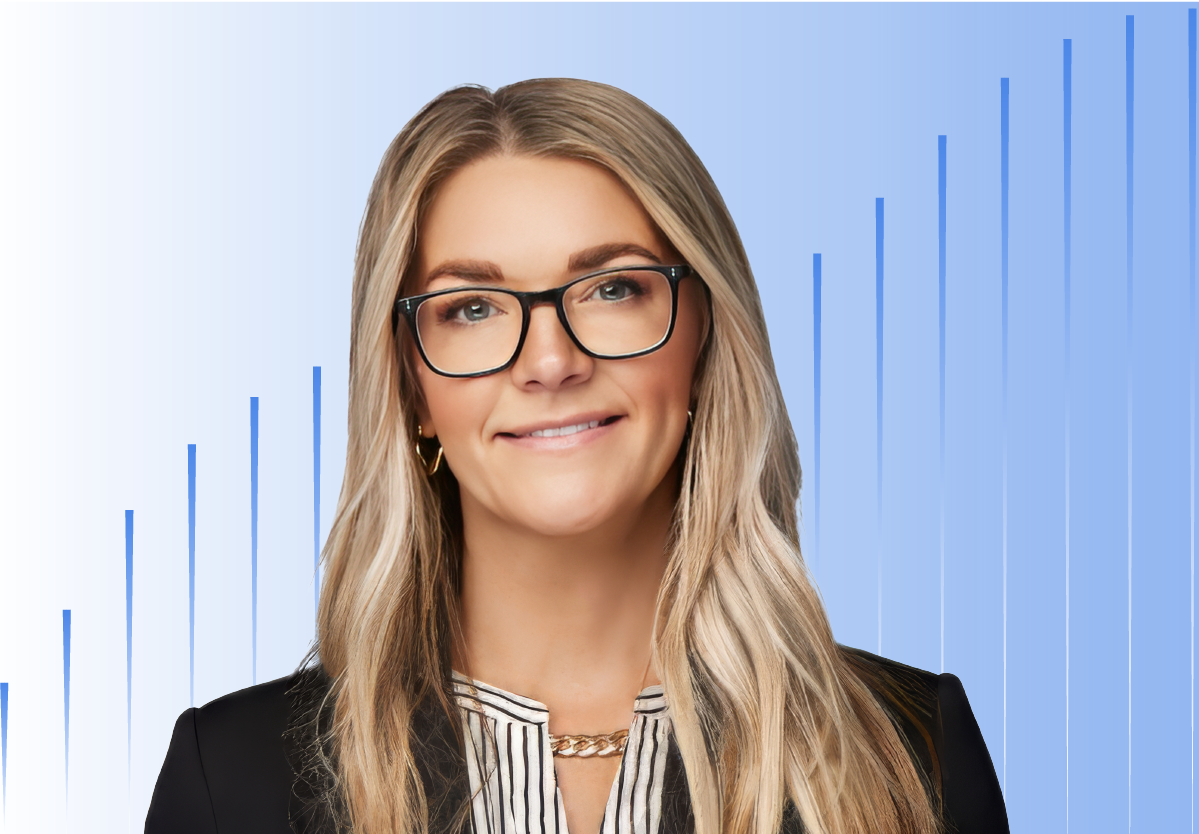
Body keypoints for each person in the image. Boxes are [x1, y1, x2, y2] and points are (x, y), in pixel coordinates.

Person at [145, 79, 1008, 834]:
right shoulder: (232, 780)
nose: (550, 361)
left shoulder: (914, 750)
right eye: (472, 307)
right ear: (410, 386)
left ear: (705, 339)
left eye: (613, 289)